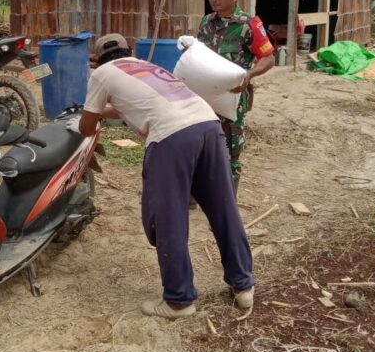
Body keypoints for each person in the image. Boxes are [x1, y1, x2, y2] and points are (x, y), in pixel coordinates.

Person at [67, 34, 254, 318]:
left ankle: (179, 300)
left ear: (96, 60)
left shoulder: (102, 74)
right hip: (208, 126)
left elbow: (86, 127)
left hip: (172, 138)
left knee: (168, 218)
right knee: (222, 208)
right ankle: (242, 286)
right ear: (128, 51)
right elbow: (126, 105)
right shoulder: (146, 67)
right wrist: (105, 112)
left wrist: (88, 116)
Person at [197, 0, 275, 194]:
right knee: (201, 142)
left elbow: (268, 58)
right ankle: (199, 193)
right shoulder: (207, 22)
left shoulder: (249, 25)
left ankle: (226, 201)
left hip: (233, 96)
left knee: (231, 149)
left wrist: (249, 76)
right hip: (205, 94)